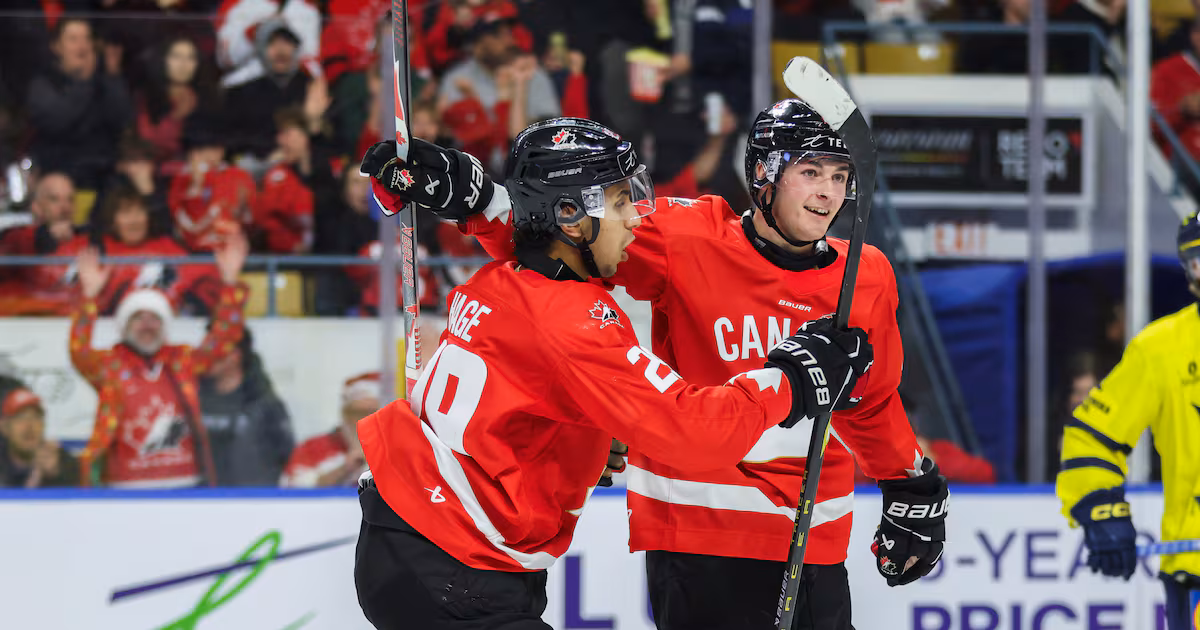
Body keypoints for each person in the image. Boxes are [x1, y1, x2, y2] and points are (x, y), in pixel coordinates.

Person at [364, 104, 949, 629]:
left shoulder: (864, 275)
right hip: (696, 531)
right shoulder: (682, 236)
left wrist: (906, 480)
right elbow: (562, 236)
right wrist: (485, 203)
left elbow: (868, 398)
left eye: (840, 176)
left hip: (812, 533)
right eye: (811, 172)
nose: (827, 193)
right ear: (765, 175)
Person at [1054, 212, 1200, 630]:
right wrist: (1103, 509)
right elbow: (1091, 438)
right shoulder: (1162, 348)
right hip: (1196, 574)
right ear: (1189, 269)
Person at [71, 229, 249, 487]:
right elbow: (79, 351)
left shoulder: (183, 359)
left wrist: (230, 282)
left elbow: (224, 339)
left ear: (166, 325)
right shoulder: (110, 364)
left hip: (186, 484)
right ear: (124, 325)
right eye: (138, 318)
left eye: (155, 318)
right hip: (124, 487)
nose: (147, 324)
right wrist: (89, 298)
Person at [281, 372, 379, 488]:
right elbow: (289, 490)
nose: (365, 420)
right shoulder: (314, 449)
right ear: (344, 414)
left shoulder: (399, 449)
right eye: (357, 414)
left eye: (373, 413)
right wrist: (344, 468)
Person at [0, 387, 80, 488]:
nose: (29, 426)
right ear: (4, 427)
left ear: (43, 425)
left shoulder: (62, 462)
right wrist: (34, 479)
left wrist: (54, 475)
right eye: (20, 418)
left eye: (36, 417)